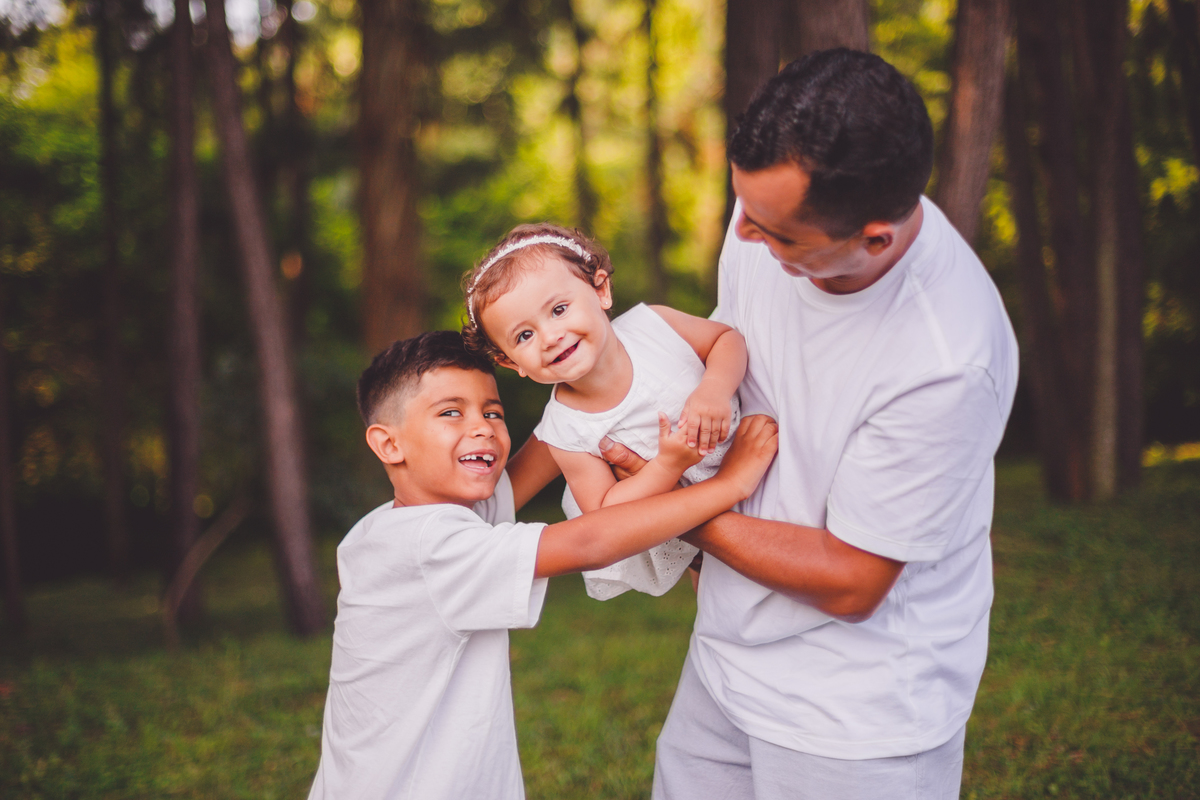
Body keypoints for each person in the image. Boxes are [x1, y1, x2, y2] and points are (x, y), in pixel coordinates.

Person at [599, 49, 1020, 799]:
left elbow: (856, 579)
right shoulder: (764, 212)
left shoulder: (946, 359)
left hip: (858, 710)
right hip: (726, 659)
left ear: (876, 238)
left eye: (779, 235)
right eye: (743, 211)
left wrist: (668, 512)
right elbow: (733, 353)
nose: (747, 239)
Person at [306, 330, 778, 800]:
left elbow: (551, 442)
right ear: (389, 445)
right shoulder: (432, 546)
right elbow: (591, 541)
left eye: (493, 412)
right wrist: (730, 484)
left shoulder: (397, 524)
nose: (483, 427)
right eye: (451, 412)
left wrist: (581, 365)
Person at [461, 222, 748, 599]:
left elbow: (726, 339)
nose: (550, 336)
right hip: (683, 511)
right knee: (722, 588)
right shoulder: (566, 430)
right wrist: (668, 466)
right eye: (524, 336)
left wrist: (715, 387)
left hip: (747, 452)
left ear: (601, 290)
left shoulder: (654, 326)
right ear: (512, 362)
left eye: (559, 309)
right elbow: (604, 510)